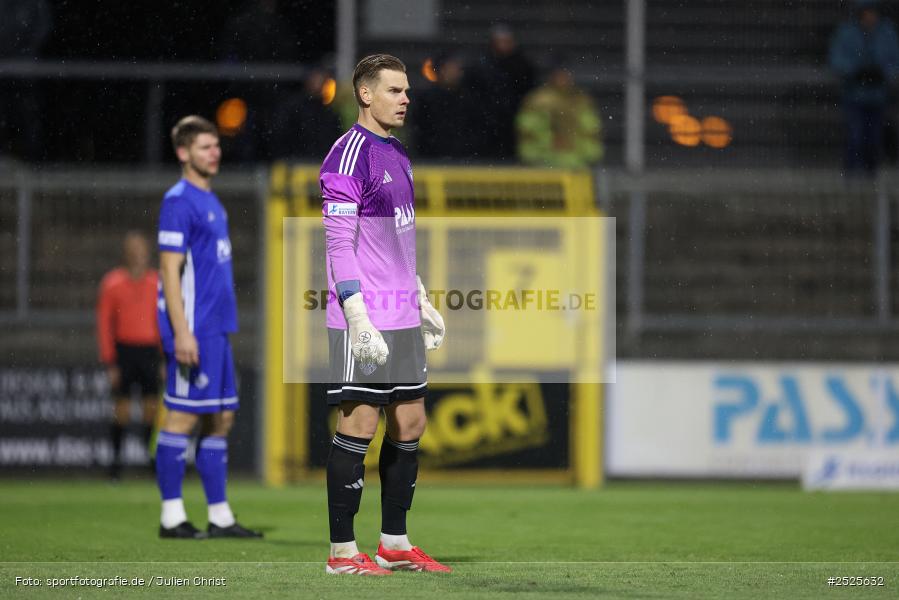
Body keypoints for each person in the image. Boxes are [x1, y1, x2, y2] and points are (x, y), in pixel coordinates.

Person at [319, 54, 450, 575]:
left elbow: (396, 239)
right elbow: (339, 244)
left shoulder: (397, 153)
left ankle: (394, 544)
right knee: (360, 423)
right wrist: (356, 314)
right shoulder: (347, 156)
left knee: (411, 420)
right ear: (365, 94)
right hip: (365, 315)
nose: (405, 99)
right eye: (395, 90)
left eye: (407, 91)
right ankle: (342, 554)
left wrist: (417, 294)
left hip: (398, 310)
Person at [154, 115, 262, 539]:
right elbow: (168, 269)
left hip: (217, 329)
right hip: (192, 330)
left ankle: (219, 517)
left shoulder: (211, 201)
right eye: (203, 147)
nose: (213, 153)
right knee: (181, 418)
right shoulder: (178, 201)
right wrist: (181, 331)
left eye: (215, 145)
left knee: (221, 419)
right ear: (183, 153)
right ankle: (171, 516)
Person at [96, 231, 160, 480]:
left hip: (149, 351)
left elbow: (164, 322)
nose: (137, 253)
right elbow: (104, 324)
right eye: (132, 248)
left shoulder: (157, 282)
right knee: (121, 410)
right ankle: (115, 466)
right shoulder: (112, 283)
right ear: (125, 252)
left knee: (151, 410)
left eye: (140, 248)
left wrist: (166, 358)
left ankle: (153, 464)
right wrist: (110, 361)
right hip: (124, 351)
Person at [829, 0, 899, 174]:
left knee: (874, 140)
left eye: (873, 12)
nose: (870, 17)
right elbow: (837, 61)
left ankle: (870, 176)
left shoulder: (887, 32)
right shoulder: (847, 32)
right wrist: (856, 71)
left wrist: (883, 73)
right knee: (855, 137)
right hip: (854, 96)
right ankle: (852, 176)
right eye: (866, 13)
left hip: (877, 97)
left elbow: (894, 61)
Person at [467, 24, 536, 161]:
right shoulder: (481, 67)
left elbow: (528, 93)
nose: (504, 45)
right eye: (500, 41)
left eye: (507, 41)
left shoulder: (523, 66)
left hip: (513, 123)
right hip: (487, 124)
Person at [516, 62, 603, 169]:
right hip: (543, 160)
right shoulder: (538, 101)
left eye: (565, 74)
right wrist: (549, 141)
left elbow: (591, 128)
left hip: (575, 161)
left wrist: (587, 152)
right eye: (558, 74)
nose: (562, 78)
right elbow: (527, 129)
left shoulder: (581, 100)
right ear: (551, 76)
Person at [413, 53, 479, 160]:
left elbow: (472, 129)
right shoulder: (427, 98)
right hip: (433, 158)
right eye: (451, 68)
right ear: (442, 70)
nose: (456, 72)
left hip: (462, 159)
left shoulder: (468, 98)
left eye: (457, 69)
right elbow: (421, 129)